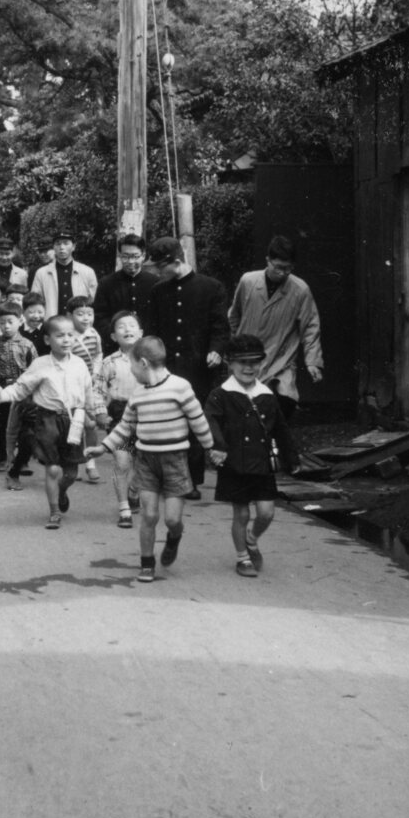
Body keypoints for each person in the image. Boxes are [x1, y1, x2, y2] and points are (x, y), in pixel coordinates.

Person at [85, 335, 214, 583]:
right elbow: (125, 426)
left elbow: (198, 420)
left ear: (143, 363)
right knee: (149, 515)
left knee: (173, 519)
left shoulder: (180, 387)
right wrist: (103, 447)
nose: (131, 372)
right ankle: (147, 562)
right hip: (147, 462)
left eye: (132, 366)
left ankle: (174, 537)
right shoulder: (137, 395)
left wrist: (211, 448)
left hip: (175, 461)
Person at [0, 314, 106, 529]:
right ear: (47, 339)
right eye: (60, 336)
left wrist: (93, 414)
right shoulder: (40, 364)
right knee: (52, 469)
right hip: (47, 420)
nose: (66, 340)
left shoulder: (80, 364)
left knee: (70, 473)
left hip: (74, 420)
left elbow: (88, 391)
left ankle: (62, 491)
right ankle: (54, 512)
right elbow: (21, 387)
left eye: (70, 335)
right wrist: (2, 395)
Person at [204, 334, 299, 577]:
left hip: (261, 462)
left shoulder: (266, 394)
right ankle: (242, 558)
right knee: (242, 513)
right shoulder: (220, 394)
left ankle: (252, 538)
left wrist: (291, 458)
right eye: (242, 362)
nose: (249, 368)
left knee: (267, 512)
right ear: (230, 363)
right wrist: (218, 447)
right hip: (234, 463)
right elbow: (210, 423)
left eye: (254, 362)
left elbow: (280, 428)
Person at [145, 237, 230, 499]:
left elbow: (220, 326)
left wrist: (216, 349)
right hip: (167, 369)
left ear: (176, 261)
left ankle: (191, 481)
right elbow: (152, 330)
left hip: (199, 369)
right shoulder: (158, 291)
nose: (158, 273)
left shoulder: (211, 287)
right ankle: (165, 478)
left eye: (161, 267)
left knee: (194, 422)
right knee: (166, 422)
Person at [228, 235, 323, 422]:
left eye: (288, 268)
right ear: (268, 261)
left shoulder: (300, 290)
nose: (282, 273)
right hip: (247, 355)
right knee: (243, 408)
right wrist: (237, 344)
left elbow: (311, 326)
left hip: (281, 357)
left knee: (283, 402)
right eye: (278, 267)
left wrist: (313, 361)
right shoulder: (248, 281)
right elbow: (234, 315)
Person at [92, 310, 143, 527]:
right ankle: (124, 509)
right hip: (120, 414)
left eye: (132, 326)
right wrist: (100, 411)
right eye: (121, 327)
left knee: (142, 464)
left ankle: (134, 491)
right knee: (122, 461)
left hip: (147, 414)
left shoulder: (150, 359)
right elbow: (97, 389)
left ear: (141, 332)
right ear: (113, 336)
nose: (127, 330)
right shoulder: (109, 362)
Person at [0, 301, 36, 480]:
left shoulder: (27, 344)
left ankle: (22, 459)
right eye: (2, 322)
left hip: (21, 388)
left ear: (20, 321)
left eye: (10, 322)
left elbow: (34, 369)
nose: (6, 326)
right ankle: (1, 458)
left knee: (22, 425)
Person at [65, 295, 103, 484]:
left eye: (89, 313)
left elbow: (98, 355)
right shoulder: (67, 335)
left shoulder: (94, 334)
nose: (86, 318)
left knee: (91, 424)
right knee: (73, 424)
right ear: (69, 315)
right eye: (80, 314)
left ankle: (90, 462)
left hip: (90, 386)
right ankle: (72, 464)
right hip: (72, 385)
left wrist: (96, 372)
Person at [93, 234, 157, 345]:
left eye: (135, 256)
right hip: (116, 345)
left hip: (148, 344)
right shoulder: (106, 283)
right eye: (125, 256)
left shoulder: (155, 283)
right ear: (120, 256)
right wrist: (118, 337)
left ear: (143, 256)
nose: (130, 261)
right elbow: (100, 317)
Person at [31, 230, 97, 316]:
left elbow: (93, 301)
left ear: (73, 247)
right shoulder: (42, 273)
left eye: (66, 243)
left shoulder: (87, 272)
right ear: (53, 247)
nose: (61, 247)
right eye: (58, 244)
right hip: (52, 321)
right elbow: (35, 301)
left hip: (78, 322)